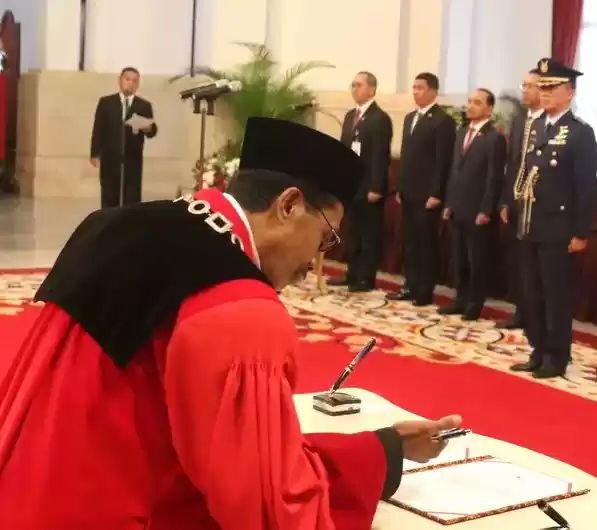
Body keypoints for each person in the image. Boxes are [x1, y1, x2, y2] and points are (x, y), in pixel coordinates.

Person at [0, 117, 461, 529]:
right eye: (325, 237)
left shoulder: (113, 225)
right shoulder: (238, 306)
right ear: (288, 206)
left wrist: (383, 450)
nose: (314, 263)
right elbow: (265, 504)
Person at [507, 58, 597, 379]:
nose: (544, 93)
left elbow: (586, 187)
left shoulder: (579, 133)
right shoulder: (535, 128)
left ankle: (556, 356)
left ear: (569, 93)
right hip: (531, 224)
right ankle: (537, 349)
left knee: (554, 296)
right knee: (532, 293)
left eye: (552, 88)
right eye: (542, 87)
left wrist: (581, 232)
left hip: (558, 229)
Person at [389, 72, 457, 306]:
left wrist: (437, 193)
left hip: (427, 194)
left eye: (420, 88)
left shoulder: (442, 121)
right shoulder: (410, 118)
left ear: (433, 92)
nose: (416, 92)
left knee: (426, 243)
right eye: (414, 87)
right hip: (409, 191)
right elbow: (406, 155)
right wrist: (400, 187)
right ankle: (410, 285)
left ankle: (424, 290)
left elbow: (443, 161)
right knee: (410, 242)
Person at [440, 88, 507, 320]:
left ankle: (474, 303)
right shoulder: (461, 133)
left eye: (477, 102)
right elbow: (454, 170)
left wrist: (486, 209)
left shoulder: (494, 138)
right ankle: (460, 299)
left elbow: (494, 177)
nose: (470, 106)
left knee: (476, 259)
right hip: (458, 205)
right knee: (459, 258)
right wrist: (449, 202)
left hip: (478, 209)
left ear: (489, 108)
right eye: (469, 101)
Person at [330, 71, 394, 292]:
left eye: (359, 84)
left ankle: (366, 278)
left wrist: (376, 186)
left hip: (368, 187)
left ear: (371, 89)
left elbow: (380, 156)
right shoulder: (350, 116)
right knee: (352, 233)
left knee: (368, 235)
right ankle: (352, 273)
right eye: (353, 84)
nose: (354, 88)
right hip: (351, 184)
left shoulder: (380, 118)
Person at [496, 69, 544, 330]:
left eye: (530, 85)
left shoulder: (549, 123)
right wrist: (505, 201)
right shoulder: (520, 121)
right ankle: (520, 311)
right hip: (516, 202)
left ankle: (535, 315)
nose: (525, 90)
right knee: (518, 261)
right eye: (523, 85)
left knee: (534, 264)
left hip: (538, 204)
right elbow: (512, 164)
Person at [90, 66, 158, 208]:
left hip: (133, 158)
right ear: (120, 80)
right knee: (109, 194)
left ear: (138, 84)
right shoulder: (106, 102)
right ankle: (109, 219)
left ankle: (129, 220)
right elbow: (98, 128)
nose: (130, 83)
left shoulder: (144, 106)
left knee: (132, 197)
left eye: (134, 81)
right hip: (110, 157)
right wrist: (95, 153)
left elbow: (152, 132)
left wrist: (149, 128)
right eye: (127, 79)